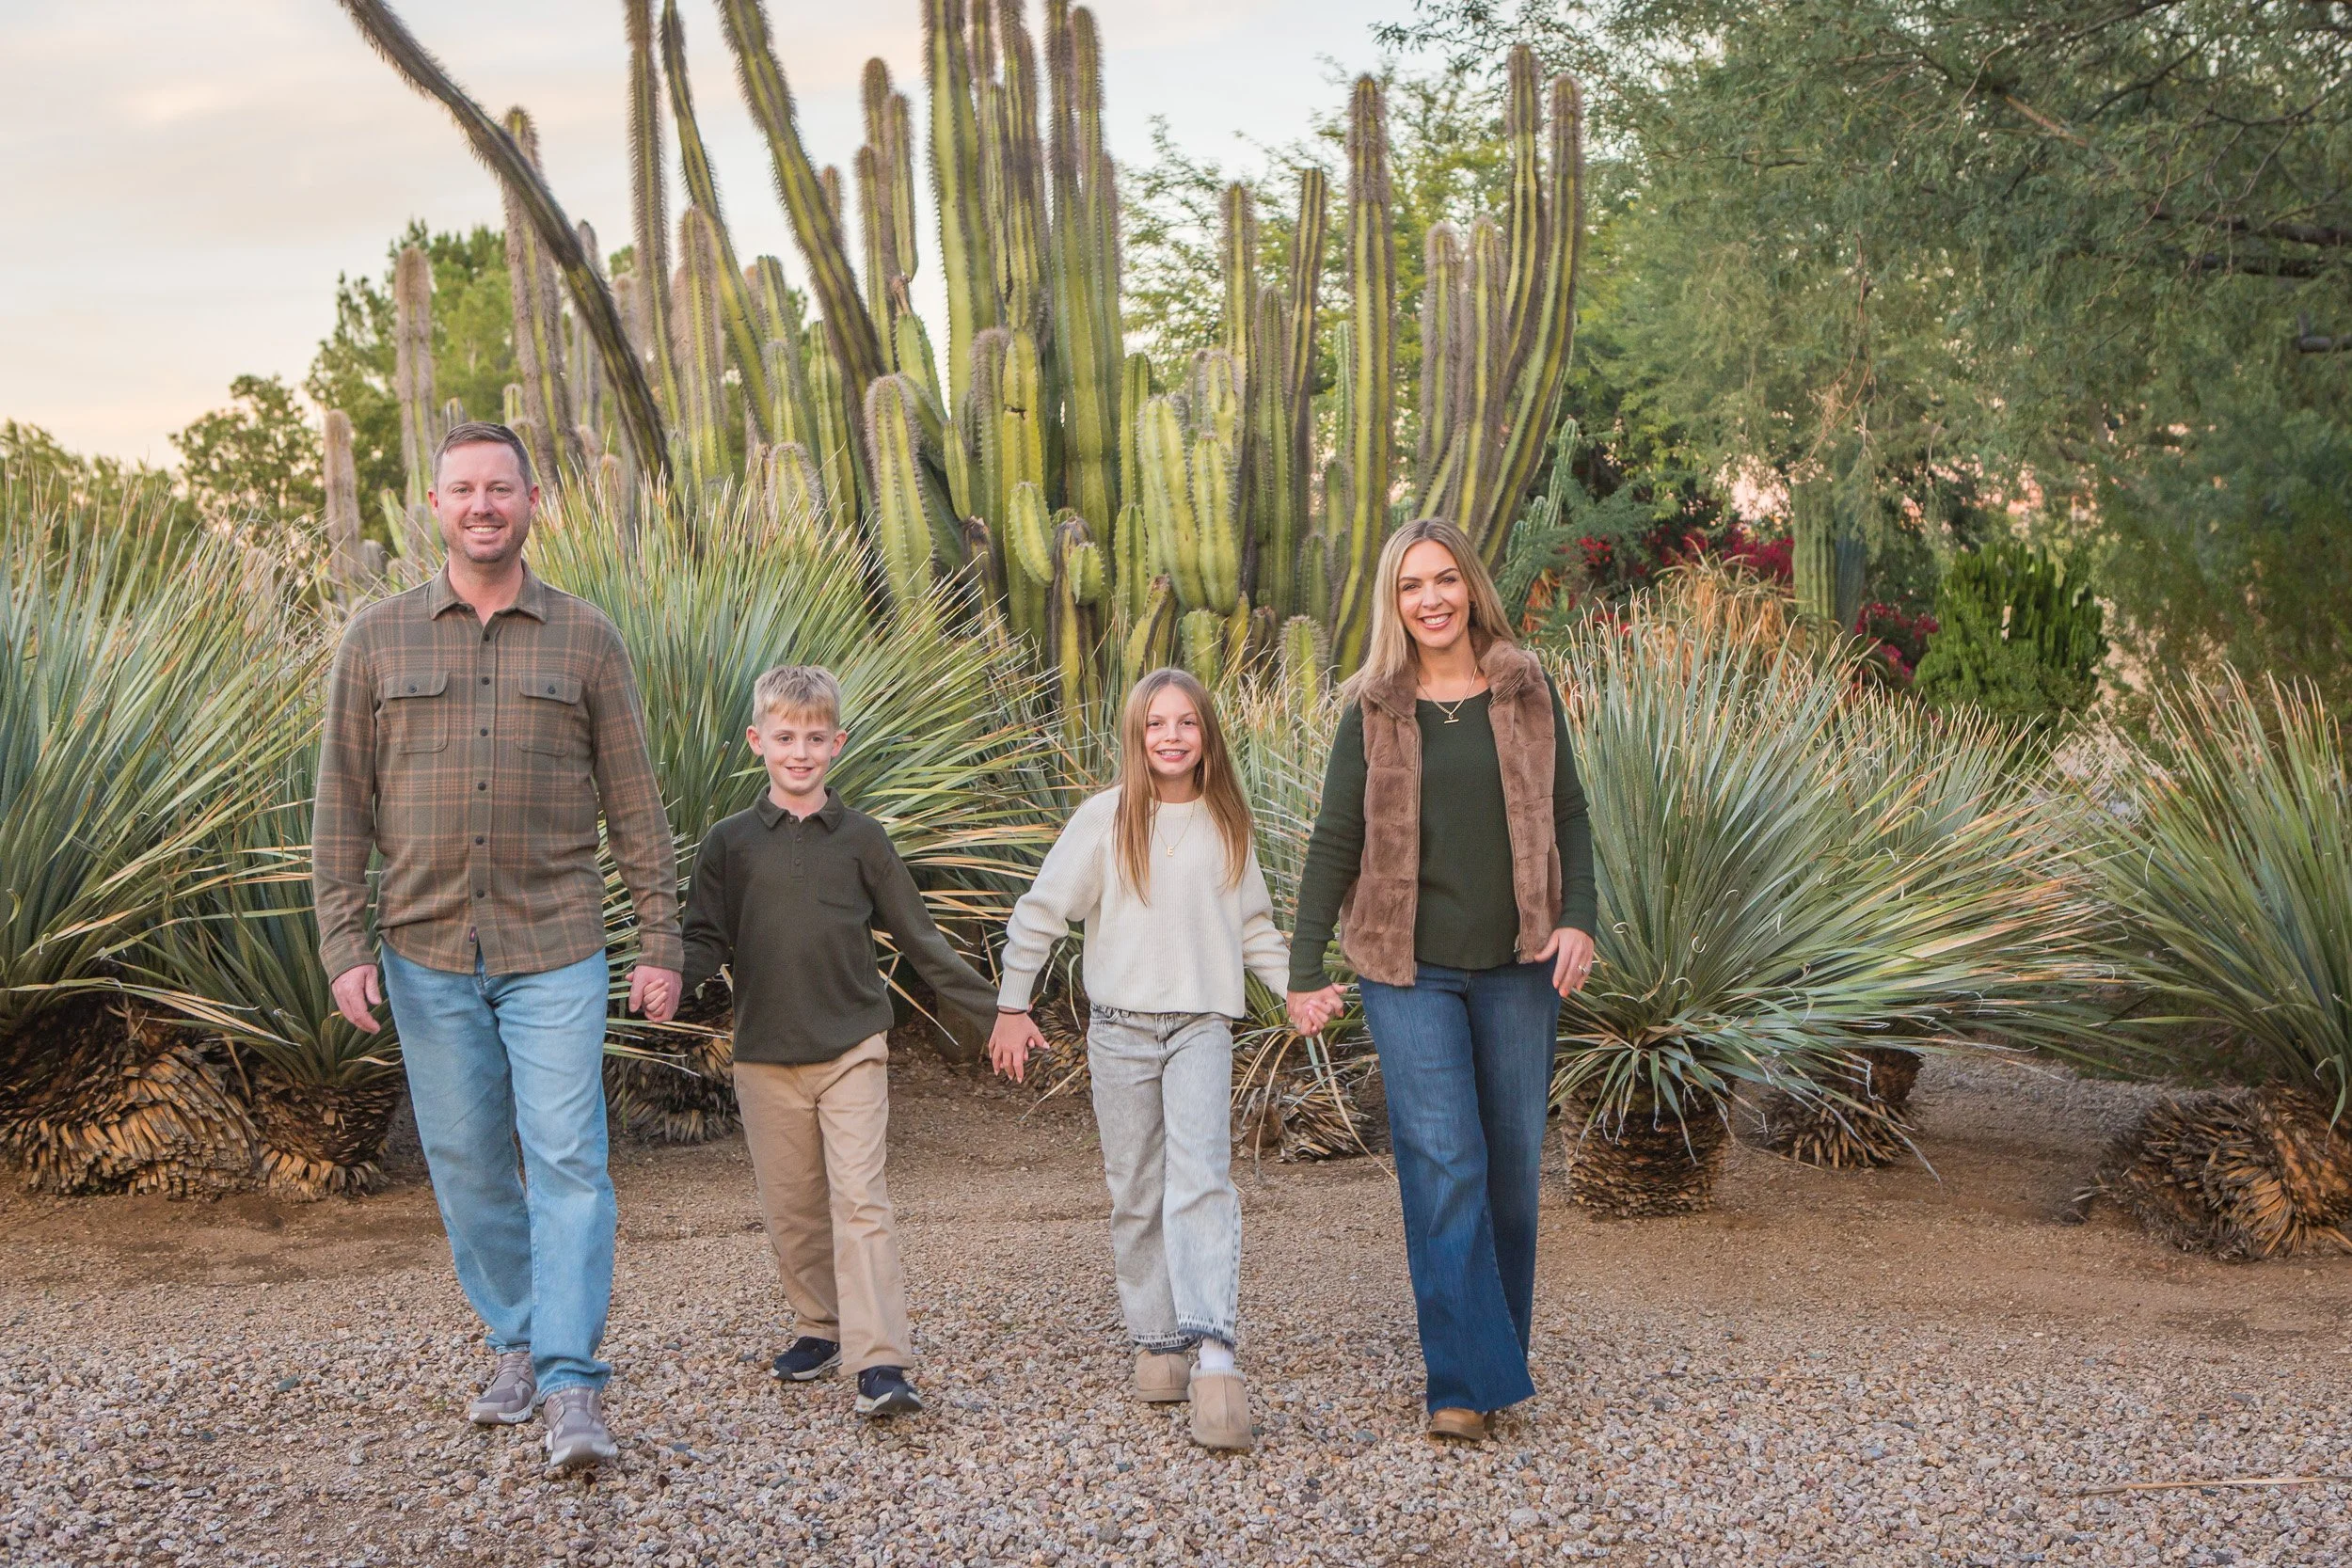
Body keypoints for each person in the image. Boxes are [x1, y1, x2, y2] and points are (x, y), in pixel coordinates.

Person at [314, 420, 681, 1473]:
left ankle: (570, 1382)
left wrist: (660, 937)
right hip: (426, 950)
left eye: (501, 489)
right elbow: (340, 805)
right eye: (464, 489)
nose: (483, 506)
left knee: (569, 1158)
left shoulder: (586, 639)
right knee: (469, 1162)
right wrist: (343, 941)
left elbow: (635, 803)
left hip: (555, 944)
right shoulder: (376, 640)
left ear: (531, 503)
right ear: (434, 505)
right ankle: (517, 1337)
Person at [1284, 518, 1597, 1444]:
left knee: (1511, 1172)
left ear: (1470, 588)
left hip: (1520, 965)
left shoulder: (1525, 688)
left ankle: (1494, 1360)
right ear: (1394, 601)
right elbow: (1335, 838)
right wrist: (1303, 966)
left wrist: (1578, 916)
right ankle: (1460, 1381)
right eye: (1411, 584)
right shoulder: (1374, 709)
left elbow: (1570, 812)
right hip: (1406, 969)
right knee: (1445, 1162)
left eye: (1445, 579)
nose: (1431, 598)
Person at [987, 669, 1299, 1452]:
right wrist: (1012, 1004)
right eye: (1157, 722)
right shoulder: (1107, 817)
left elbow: (1253, 925)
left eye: (1186, 721)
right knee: (1135, 1188)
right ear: (1137, 733)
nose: (1171, 735)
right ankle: (1158, 1339)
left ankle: (1215, 1354)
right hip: (1119, 1030)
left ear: (1206, 734)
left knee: (1202, 1179)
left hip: (1201, 1025)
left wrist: (1297, 989)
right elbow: (1041, 911)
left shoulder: (1227, 822)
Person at [678, 664, 997, 1419]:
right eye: (786, 737)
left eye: (815, 738)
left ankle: (881, 1360)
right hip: (765, 1053)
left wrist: (998, 1013)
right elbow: (703, 938)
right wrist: (663, 980)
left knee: (861, 1201)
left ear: (837, 743)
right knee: (792, 1207)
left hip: (853, 1045)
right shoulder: (728, 844)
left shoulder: (863, 840)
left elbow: (921, 939)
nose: (800, 752)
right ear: (757, 740)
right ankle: (820, 1327)